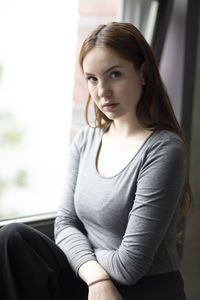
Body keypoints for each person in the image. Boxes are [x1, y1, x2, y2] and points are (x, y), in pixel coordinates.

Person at [0, 22, 192, 300]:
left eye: (114, 74)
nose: (102, 91)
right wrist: (95, 275)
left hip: (145, 289)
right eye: (92, 78)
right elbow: (64, 223)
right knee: (13, 237)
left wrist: (80, 251)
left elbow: (129, 267)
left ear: (143, 73)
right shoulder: (86, 140)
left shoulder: (164, 150)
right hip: (93, 281)